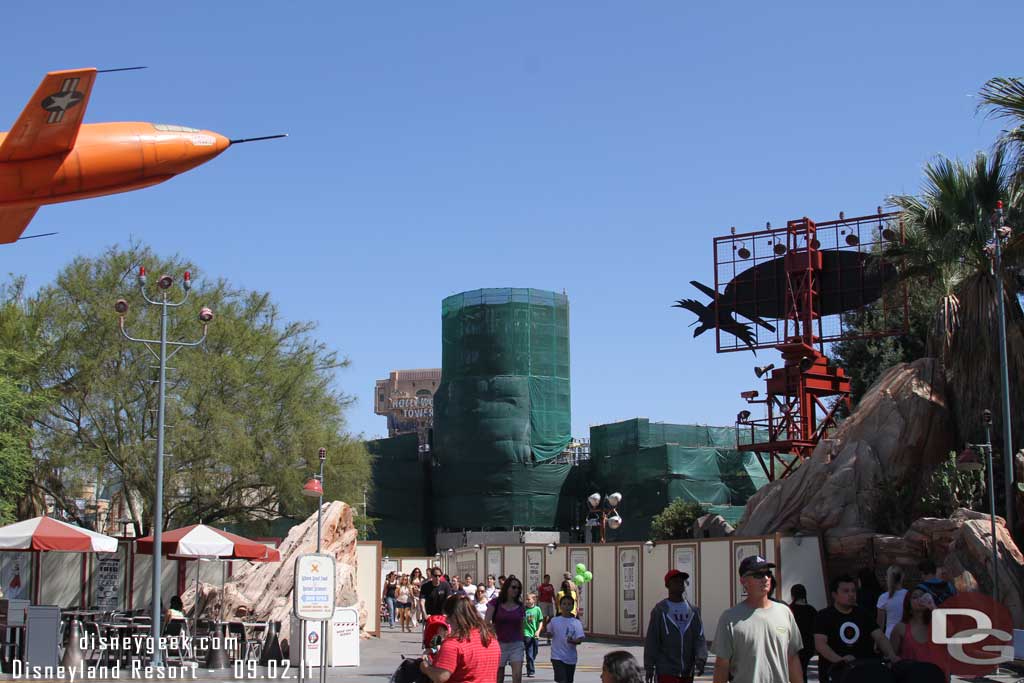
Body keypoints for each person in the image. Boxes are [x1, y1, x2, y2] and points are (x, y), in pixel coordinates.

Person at [712, 555, 803, 683]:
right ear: (743, 581)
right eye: (758, 575)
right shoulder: (729, 618)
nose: (765, 578)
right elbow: (722, 666)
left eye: (768, 573)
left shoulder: (784, 612)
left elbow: (792, 658)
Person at [814, 574, 900, 683]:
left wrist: (891, 654)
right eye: (846, 591)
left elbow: (880, 637)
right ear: (834, 595)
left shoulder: (863, 614)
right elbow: (820, 644)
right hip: (835, 674)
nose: (851, 594)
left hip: (864, 673)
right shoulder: (823, 616)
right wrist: (839, 660)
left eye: (853, 591)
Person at [643, 569, 706, 683]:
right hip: (666, 672)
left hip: (687, 672)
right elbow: (652, 640)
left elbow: (699, 637)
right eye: (676, 581)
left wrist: (701, 658)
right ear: (668, 585)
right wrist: (649, 666)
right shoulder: (660, 610)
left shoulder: (693, 611)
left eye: (682, 581)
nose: (680, 583)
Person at [420, 595, 500, 683]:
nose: (446, 621)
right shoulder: (491, 639)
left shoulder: (454, 643)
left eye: (448, 616)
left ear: (455, 616)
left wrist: (425, 667)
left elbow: (440, 676)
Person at [888, 589, 949, 681]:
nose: (920, 599)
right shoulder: (901, 628)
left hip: (937, 677)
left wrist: (933, 607)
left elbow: (951, 631)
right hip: (912, 677)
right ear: (908, 603)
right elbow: (892, 657)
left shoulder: (936, 624)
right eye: (915, 597)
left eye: (922, 596)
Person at [487, 575, 526, 683]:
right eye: (513, 587)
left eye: (518, 588)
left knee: (517, 676)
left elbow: (522, 625)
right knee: (499, 677)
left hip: (516, 644)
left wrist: (523, 641)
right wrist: (491, 635)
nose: (516, 590)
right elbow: (486, 623)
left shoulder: (520, 606)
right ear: (507, 588)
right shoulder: (495, 603)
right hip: (498, 644)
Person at [548, 594, 585, 683]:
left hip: (570, 658)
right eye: (564, 604)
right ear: (560, 606)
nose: (566, 606)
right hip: (557, 656)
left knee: (568, 680)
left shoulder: (576, 623)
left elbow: (580, 639)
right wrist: (548, 634)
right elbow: (549, 632)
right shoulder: (554, 621)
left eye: (569, 604)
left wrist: (572, 641)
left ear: (572, 606)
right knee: (562, 680)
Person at [788, 584, 817, 682]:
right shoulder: (811, 610)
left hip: (795, 645)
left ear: (793, 595)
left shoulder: (789, 609)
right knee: (804, 670)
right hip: (809, 645)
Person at [876, 565, 907, 638]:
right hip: (905, 634)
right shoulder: (908, 595)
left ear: (888, 578)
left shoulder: (883, 597)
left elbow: (880, 624)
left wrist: (877, 642)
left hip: (889, 635)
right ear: (902, 577)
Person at [522, 593, 543, 678]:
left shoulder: (537, 609)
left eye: (528, 599)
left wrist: (538, 631)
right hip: (526, 634)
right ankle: (531, 671)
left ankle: (529, 664)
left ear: (534, 600)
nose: (527, 601)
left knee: (535, 652)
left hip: (535, 634)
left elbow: (540, 621)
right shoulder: (523, 610)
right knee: (529, 653)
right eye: (526, 599)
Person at [537, 575, 556, 644]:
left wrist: (555, 600)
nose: (548, 580)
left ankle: (544, 626)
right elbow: (539, 595)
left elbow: (553, 594)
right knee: (544, 617)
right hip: (543, 602)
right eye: (547, 579)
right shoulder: (541, 586)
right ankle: (544, 629)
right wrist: (537, 604)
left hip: (550, 602)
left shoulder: (551, 586)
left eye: (549, 579)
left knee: (551, 616)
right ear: (544, 579)